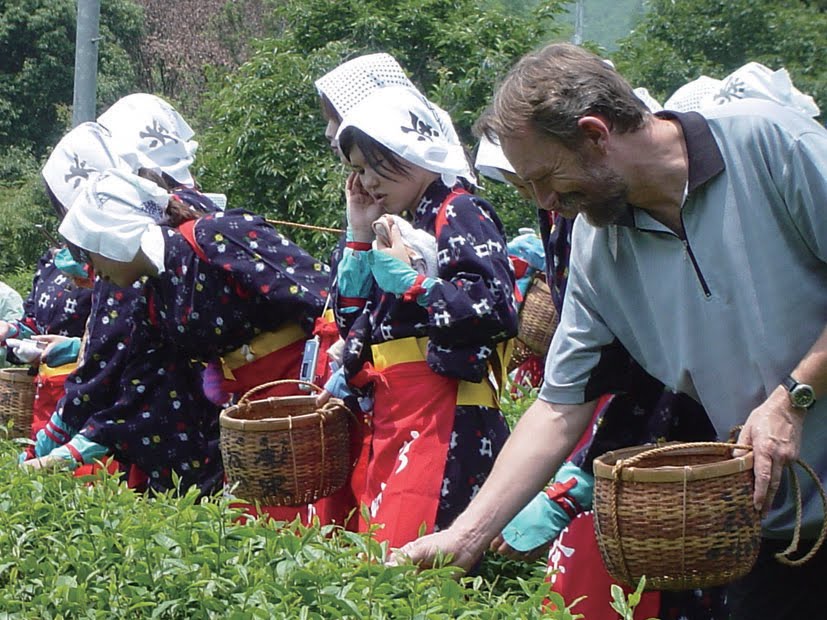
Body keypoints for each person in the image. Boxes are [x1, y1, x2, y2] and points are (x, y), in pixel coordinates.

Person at [395, 43, 827, 620]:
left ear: (596, 135)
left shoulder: (770, 144)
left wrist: (793, 396)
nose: (547, 203)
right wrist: (466, 536)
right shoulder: (598, 247)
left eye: (546, 178)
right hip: (786, 528)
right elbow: (558, 406)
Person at [322, 84, 518, 549]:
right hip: (396, 409)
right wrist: (357, 233)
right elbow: (354, 327)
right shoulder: (397, 226)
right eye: (358, 170)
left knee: (411, 550)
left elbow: (495, 306)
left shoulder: (460, 210)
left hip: (443, 408)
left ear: (410, 147)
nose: (367, 181)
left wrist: (418, 285)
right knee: (383, 547)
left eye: (376, 164)